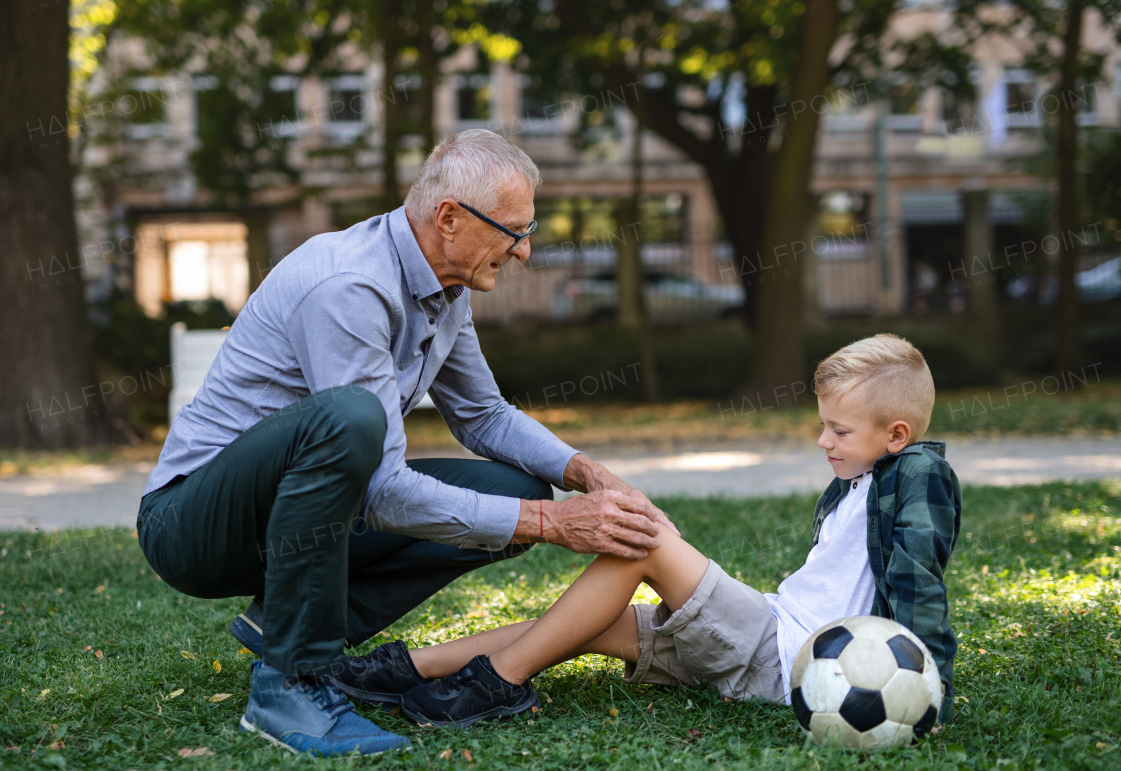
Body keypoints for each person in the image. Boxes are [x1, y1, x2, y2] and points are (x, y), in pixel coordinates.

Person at [135, 129, 674, 756]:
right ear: (449, 217)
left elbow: (483, 415)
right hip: (194, 523)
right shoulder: (349, 286)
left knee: (515, 486)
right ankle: (288, 683)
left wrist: (586, 474)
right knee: (353, 419)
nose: (525, 252)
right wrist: (553, 523)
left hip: (293, 517)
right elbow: (383, 490)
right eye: (513, 230)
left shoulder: (446, 287)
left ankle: (287, 625)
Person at [332, 333, 962, 731]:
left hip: (794, 659)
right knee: (583, 626)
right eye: (824, 425)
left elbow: (917, 581)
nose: (823, 440)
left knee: (641, 540)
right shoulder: (853, 483)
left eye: (839, 431)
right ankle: (398, 670)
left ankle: (499, 684)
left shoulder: (919, 476)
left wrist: (924, 684)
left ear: (897, 435)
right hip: (772, 627)